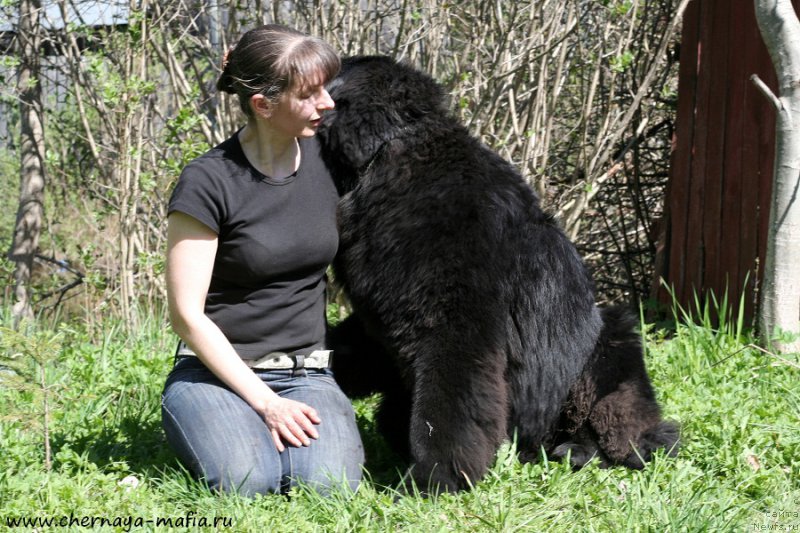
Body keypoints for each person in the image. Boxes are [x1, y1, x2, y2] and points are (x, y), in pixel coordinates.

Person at [161, 24, 363, 497]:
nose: (327, 104)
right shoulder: (208, 182)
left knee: (327, 488)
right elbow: (186, 316)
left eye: (325, 90)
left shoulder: (332, 161)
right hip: (214, 374)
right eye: (310, 94)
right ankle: (217, 425)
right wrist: (266, 403)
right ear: (263, 105)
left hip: (307, 372)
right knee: (247, 482)